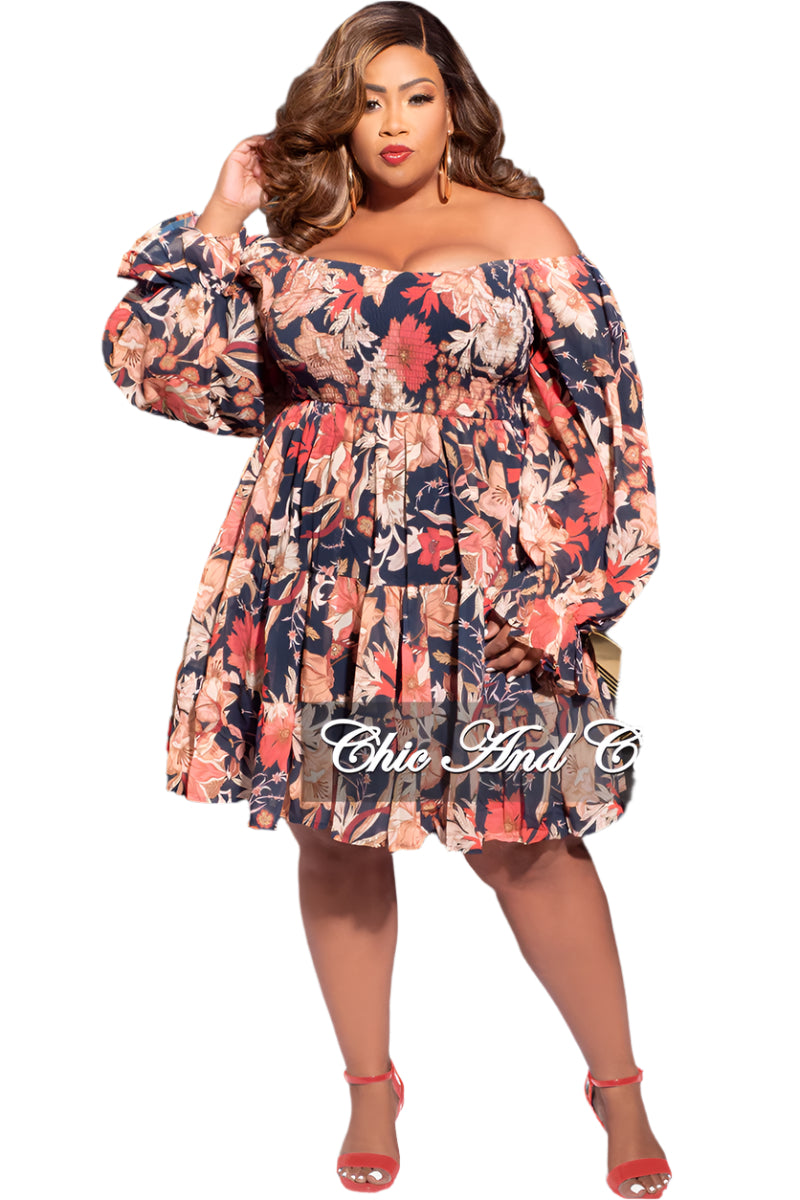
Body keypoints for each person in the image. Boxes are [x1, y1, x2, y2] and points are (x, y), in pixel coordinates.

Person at [102, 3, 671, 1195]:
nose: (393, 123)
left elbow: (609, 420)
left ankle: (616, 1087)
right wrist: (221, 215)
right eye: (366, 101)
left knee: (525, 838)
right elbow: (162, 370)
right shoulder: (296, 239)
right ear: (337, 116)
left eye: (415, 95)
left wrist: (581, 589)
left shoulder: (522, 230)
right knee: (333, 826)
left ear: (454, 106)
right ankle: (370, 1086)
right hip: (323, 581)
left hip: (489, 586)